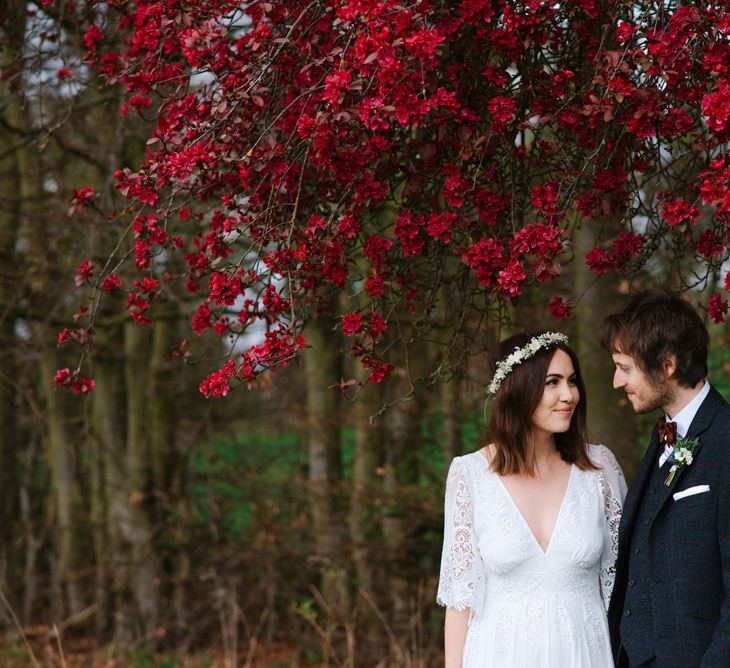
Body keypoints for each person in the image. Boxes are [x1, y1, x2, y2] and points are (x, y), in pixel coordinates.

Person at [437, 331, 627, 668]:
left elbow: (625, 585)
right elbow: (459, 601)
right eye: (552, 382)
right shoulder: (470, 475)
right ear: (517, 389)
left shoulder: (600, 469)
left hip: (584, 654)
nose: (568, 395)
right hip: (498, 654)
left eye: (571, 381)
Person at [599, 289, 730, 668]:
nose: (616, 382)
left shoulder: (725, 438)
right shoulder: (663, 438)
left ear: (667, 364)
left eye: (625, 368)